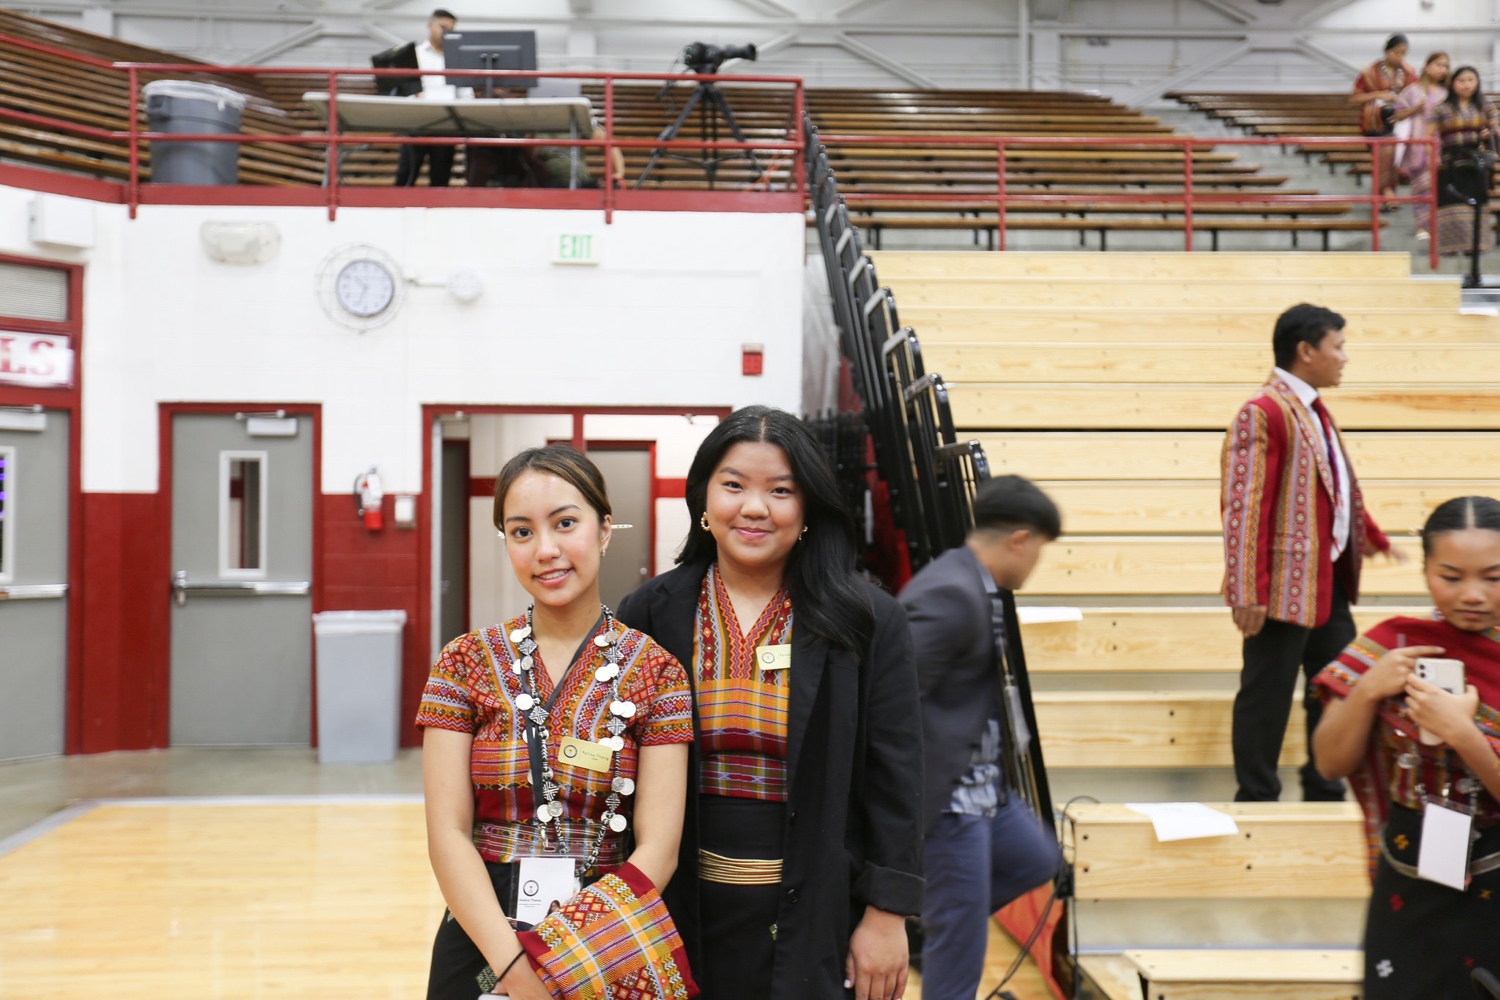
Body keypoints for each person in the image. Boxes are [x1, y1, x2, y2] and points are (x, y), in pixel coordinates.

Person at [617, 405, 923, 1000]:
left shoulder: (868, 619)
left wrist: (887, 914)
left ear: (807, 506)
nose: (754, 508)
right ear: (703, 498)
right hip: (672, 911)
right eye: (733, 485)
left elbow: (897, 774)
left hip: (819, 914)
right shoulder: (649, 612)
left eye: (780, 490)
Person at [416, 445, 694, 999]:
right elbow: (447, 834)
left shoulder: (657, 672)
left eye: (565, 523)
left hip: (608, 933)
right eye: (521, 532)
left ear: (604, 530)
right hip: (482, 934)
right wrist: (515, 968)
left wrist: (568, 961)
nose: (545, 550)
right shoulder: (463, 662)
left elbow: (658, 849)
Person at [1311, 496, 1500, 1000]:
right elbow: (1329, 762)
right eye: (1451, 576)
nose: (1472, 594)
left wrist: (1462, 734)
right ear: (1426, 571)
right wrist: (1368, 690)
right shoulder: (1391, 644)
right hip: (1412, 869)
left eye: (1494, 577)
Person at [1221, 303, 1400, 803]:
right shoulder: (1264, 410)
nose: (1344, 357)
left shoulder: (1313, 409)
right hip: (1281, 585)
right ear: (1306, 351)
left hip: (1326, 580)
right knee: (1267, 694)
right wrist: (1247, 590)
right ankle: (1256, 798)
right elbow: (1244, 508)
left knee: (1337, 687)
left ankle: (1324, 789)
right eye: (1337, 346)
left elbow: (1336, 488)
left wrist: (1372, 537)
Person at [899, 475, 1063, 1000]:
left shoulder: (973, 582)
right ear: (1019, 540)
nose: (1036, 562)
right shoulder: (950, 592)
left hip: (985, 784)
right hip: (952, 799)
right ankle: (941, 918)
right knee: (959, 955)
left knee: (1037, 859)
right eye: (1038, 549)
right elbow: (893, 702)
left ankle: (933, 916)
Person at [394, 9, 472, 188]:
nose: (446, 32)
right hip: (416, 122)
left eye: (450, 29)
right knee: (406, 174)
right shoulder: (413, 55)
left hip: (446, 124)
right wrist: (414, 96)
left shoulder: (458, 59)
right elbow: (402, 90)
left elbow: (466, 94)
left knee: (441, 178)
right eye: (442, 27)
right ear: (429, 26)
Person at [1431, 66, 1499, 259]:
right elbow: (1429, 135)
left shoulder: (1484, 105)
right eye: (1461, 81)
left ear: (1477, 83)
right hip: (1448, 163)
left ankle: (1474, 247)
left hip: (1475, 163)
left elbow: (1496, 127)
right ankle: (1450, 248)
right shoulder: (1441, 108)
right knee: (1450, 203)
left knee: (1475, 205)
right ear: (1453, 84)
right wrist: (1434, 157)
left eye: (1471, 80)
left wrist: (1489, 132)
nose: (1467, 85)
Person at [1351, 34, 1417, 208]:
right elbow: (1355, 98)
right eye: (1396, 52)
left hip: (1400, 124)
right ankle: (1387, 193)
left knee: (1394, 155)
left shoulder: (1408, 73)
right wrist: (1379, 94)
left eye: (1403, 53)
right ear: (1387, 51)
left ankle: (1386, 195)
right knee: (1385, 153)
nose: (1400, 57)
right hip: (1375, 124)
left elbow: (1417, 94)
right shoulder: (1369, 72)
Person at [1393, 52, 1450, 239]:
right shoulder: (1412, 90)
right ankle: (1421, 227)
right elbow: (1397, 114)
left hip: (1442, 145)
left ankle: (1437, 226)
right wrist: (1415, 109)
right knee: (1421, 187)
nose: (1442, 69)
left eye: (1445, 66)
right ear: (1427, 66)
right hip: (1418, 146)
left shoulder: (1447, 93)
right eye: (1438, 65)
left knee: (1439, 187)